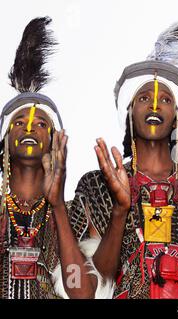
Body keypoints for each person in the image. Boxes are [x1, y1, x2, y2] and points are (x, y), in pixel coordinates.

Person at [66, 13, 178, 299]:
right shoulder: (97, 186)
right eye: (144, 98)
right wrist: (120, 211)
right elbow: (91, 288)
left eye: (166, 99)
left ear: (176, 116)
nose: (155, 106)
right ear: (130, 111)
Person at [0, 17, 94, 299]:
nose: (29, 128)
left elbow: (82, 293)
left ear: (55, 144)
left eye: (41, 124)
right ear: (4, 142)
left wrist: (58, 207)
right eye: (19, 123)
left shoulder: (77, 213)